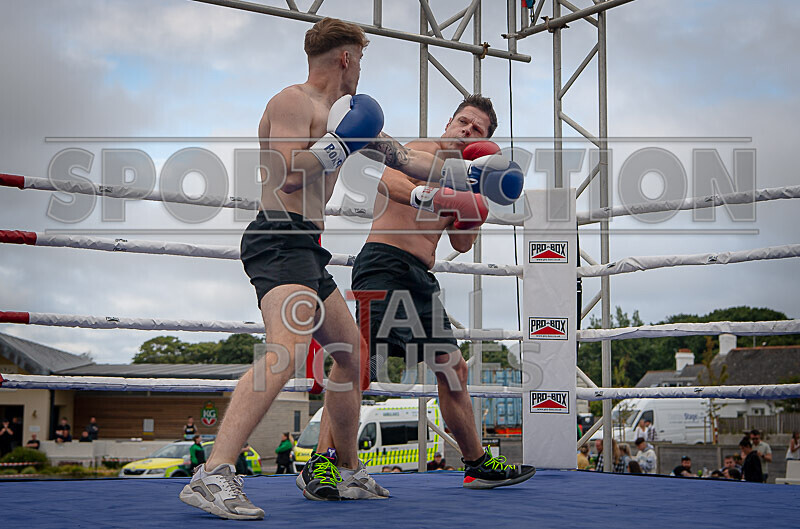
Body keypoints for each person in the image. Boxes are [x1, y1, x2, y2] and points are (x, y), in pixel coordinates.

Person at [180, 17, 463, 519]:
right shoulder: (294, 102)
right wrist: (339, 144)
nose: (360, 72)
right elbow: (289, 175)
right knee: (285, 354)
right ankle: (214, 473)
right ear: (348, 58)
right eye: (362, 60)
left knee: (352, 355)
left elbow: (409, 163)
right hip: (278, 236)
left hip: (307, 248)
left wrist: (473, 171)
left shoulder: (348, 117)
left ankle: (346, 469)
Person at [346, 94, 530, 490]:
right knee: (357, 362)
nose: (466, 130)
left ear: (483, 142)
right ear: (449, 121)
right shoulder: (417, 153)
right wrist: (430, 192)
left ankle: (476, 463)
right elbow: (386, 178)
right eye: (463, 121)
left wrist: (476, 201)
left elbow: (462, 244)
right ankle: (327, 462)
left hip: (420, 278)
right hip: (383, 262)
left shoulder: (468, 175)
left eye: (476, 129)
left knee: (453, 368)